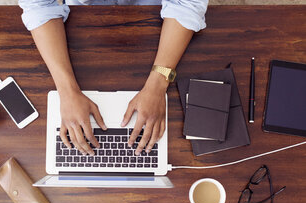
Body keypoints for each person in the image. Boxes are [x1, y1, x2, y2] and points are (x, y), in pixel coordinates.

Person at [19, 0, 208, 156]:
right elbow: (39, 7)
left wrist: (158, 84)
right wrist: (66, 91)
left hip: (155, 12)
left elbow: (187, 5)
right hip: (83, 16)